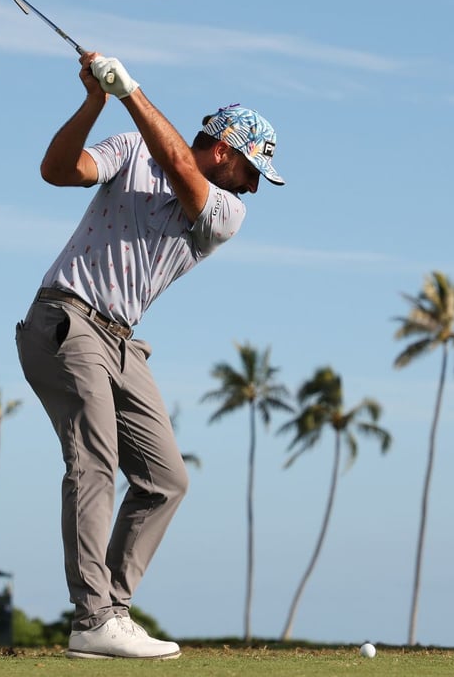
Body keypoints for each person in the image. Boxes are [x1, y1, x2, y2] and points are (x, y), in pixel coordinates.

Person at [15, 51, 285, 659]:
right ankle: (92, 619)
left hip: (121, 342)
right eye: (251, 170)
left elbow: (181, 168)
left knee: (166, 479)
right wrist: (96, 101)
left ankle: (111, 610)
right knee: (94, 462)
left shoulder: (226, 213)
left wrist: (131, 90)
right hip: (65, 320)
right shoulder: (130, 149)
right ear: (225, 151)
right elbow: (57, 171)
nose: (252, 186)